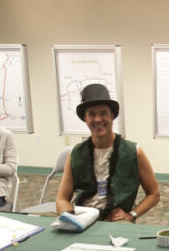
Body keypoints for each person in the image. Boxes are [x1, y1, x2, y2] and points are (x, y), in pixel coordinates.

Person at [55, 84, 160, 222]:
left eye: (103, 113)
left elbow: (154, 194)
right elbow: (62, 198)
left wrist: (132, 214)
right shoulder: (75, 153)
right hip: (82, 216)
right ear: (85, 119)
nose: (98, 119)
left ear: (112, 116)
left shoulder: (134, 152)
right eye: (91, 114)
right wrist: (69, 216)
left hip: (117, 219)